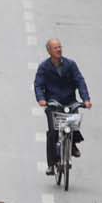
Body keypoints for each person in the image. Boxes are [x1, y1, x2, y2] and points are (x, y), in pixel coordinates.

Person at [34, 38, 92, 175]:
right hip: (53, 103)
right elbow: (38, 85)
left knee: (73, 124)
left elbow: (80, 81)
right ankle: (51, 164)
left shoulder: (70, 65)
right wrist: (42, 99)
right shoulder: (44, 67)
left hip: (69, 101)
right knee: (53, 132)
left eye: (60, 47)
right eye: (55, 48)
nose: (59, 50)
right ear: (49, 51)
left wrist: (86, 99)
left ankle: (71, 145)